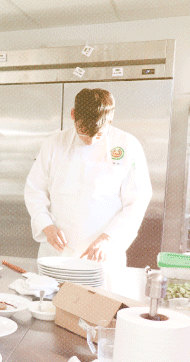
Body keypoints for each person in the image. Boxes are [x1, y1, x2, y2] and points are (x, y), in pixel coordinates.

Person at [24, 88, 152, 267]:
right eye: (83, 132)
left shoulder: (127, 145)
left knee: (100, 294)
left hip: (104, 253)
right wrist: (46, 225)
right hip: (57, 252)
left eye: (98, 134)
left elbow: (137, 200)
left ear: (111, 117)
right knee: (54, 294)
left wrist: (110, 238)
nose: (90, 141)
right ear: (73, 114)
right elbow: (35, 190)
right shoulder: (54, 144)